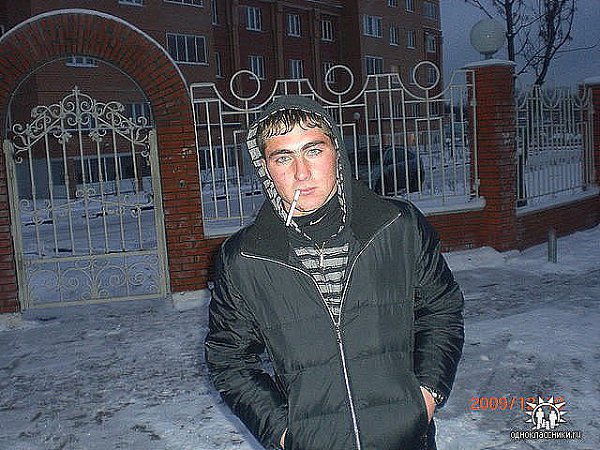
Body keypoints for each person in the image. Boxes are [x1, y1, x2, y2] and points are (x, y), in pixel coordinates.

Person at [205, 95, 464, 450]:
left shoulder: (397, 227)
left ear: (336, 152)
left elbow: (441, 310)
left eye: (313, 150)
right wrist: (284, 432)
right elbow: (229, 359)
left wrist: (426, 394)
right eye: (283, 157)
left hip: (406, 439)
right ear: (266, 168)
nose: (301, 173)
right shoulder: (244, 259)